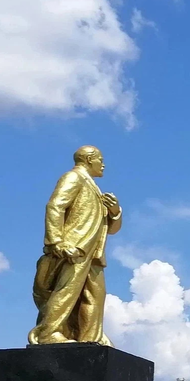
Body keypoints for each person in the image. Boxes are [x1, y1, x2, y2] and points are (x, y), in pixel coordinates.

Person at [27, 146, 122, 345]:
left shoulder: (94, 188)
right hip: (75, 249)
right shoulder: (73, 177)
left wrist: (114, 211)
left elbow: (111, 229)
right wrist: (56, 241)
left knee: (95, 296)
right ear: (89, 159)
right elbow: (55, 206)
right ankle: (48, 334)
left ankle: (90, 339)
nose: (103, 164)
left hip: (93, 253)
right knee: (66, 292)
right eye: (100, 159)